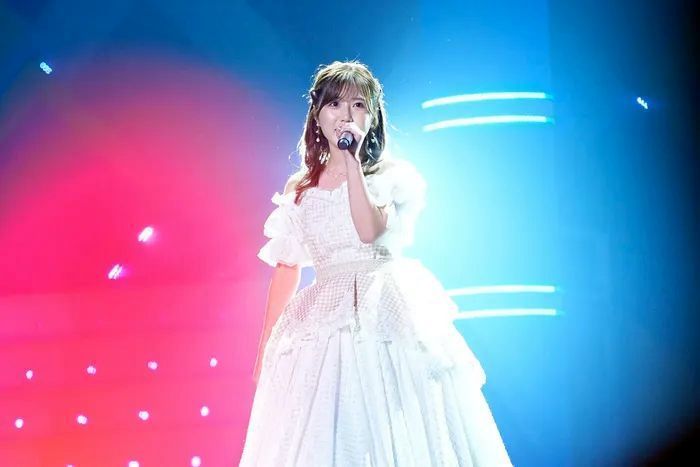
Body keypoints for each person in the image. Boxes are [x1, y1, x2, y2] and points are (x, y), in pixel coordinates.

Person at [239, 60, 513, 466]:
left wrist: (352, 164)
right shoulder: (300, 189)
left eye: (358, 105)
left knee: (393, 420)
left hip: (382, 308)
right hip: (323, 318)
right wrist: (266, 346)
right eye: (334, 104)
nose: (345, 115)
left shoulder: (389, 177)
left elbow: (368, 230)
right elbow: (286, 267)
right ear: (317, 115)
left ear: (373, 117)